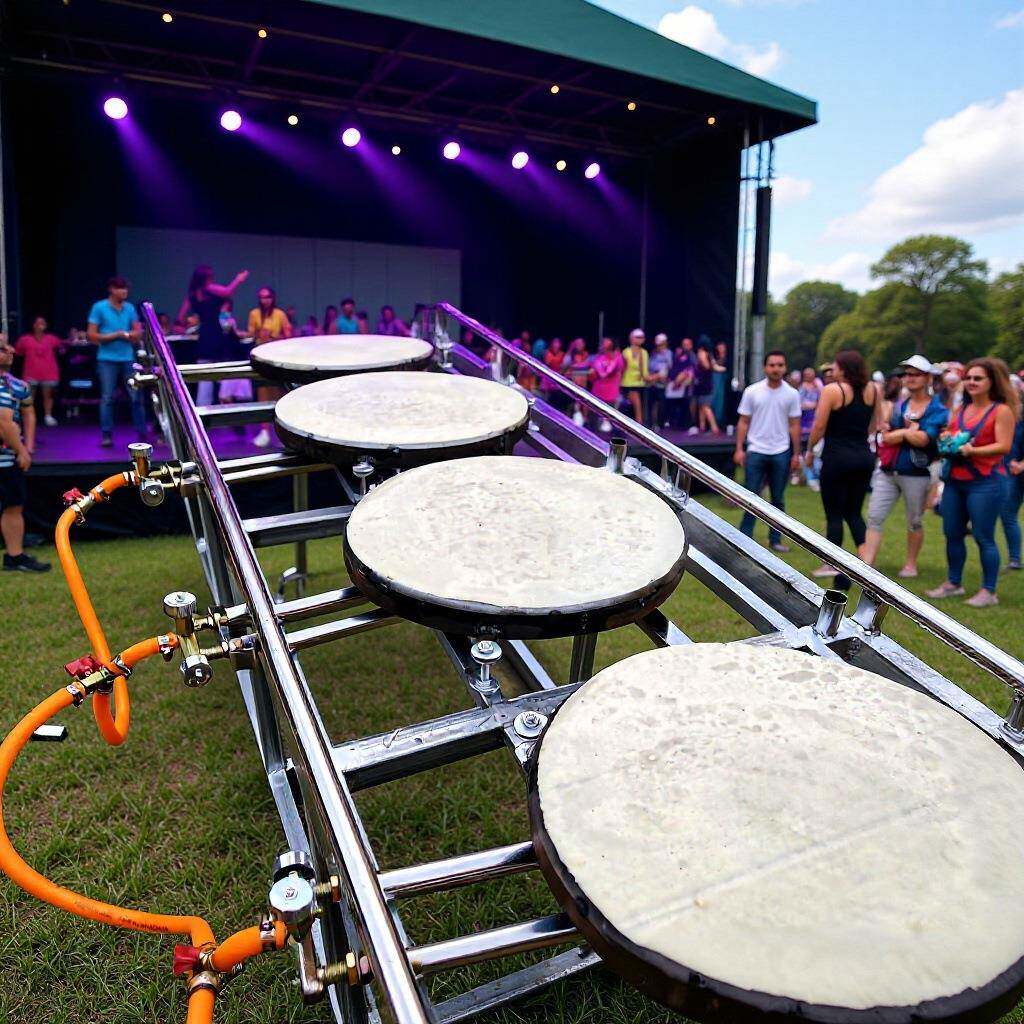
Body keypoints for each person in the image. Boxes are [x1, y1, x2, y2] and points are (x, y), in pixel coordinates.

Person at [927, 358, 1018, 607]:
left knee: (983, 536)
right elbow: (954, 432)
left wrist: (971, 451)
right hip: (956, 480)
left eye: (978, 378)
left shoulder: (1002, 410)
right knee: (952, 533)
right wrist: (948, 437)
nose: (971, 382)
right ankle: (953, 583)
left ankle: (989, 591)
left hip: (986, 482)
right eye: (968, 378)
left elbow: (1004, 445)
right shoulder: (962, 409)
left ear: (992, 382)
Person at [861, 354, 946, 579]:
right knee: (874, 516)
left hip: (917, 473)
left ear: (927, 378)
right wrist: (908, 432)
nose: (910, 378)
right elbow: (886, 436)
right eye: (907, 374)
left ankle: (911, 564)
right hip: (889, 469)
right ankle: (866, 565)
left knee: (914, 520)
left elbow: (925, 439)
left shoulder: (937, 409)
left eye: (916, 374)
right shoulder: (901, 404)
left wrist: (900, 434)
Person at [805, 349, 880, 589]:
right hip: (863, 457)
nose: (832, 371)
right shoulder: (873, 390)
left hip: (837, 458)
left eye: (835, 367)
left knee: (834, 513)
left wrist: (809, 450)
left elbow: (819, 426)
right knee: (854, 512)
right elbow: (874, 424)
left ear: (844, 369)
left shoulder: (832, 391)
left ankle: (832, 563)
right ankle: (865, 562)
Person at [735, 350, 801, 552]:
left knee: (778, 499)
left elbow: (794, 425)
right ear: (765, 367)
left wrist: (796, 453)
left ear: (785, 367)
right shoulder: (752, 391)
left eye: (780, 365)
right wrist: (739, 448)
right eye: (772, 365)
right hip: (756, 450)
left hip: (781, 451)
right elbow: (743, 421)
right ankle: (744, 539)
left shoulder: (792, 394)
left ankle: (775, 540)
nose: (776, 368)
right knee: (751, 497)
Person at [0, 341, 48, 572]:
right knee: (12, 507)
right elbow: (4, 423)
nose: (10, 351)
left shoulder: (18, 385)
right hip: (6, 459)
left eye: (8, 347)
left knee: (14, 506)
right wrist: (21, 450)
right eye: (2, 348)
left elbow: (29, 414)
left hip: (10, 457)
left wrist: (27, 446)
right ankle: (15, 556)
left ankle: (14, 556)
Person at [177, 265, 250, 409]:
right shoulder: (210, 289)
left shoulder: (192, 295)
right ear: (206, 278)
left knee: (204, 379)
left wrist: (191, 323)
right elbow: (228, 291)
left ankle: (203, 413)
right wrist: (238, 279)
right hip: (216, 336)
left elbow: (180, 318)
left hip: (204, 337)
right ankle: (227, 409)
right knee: (226, 373)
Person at [87, 276, 145, 447]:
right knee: (107, 398)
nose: (124, 292)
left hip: (127, 358)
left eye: (125, 288)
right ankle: (106, 435)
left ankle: (142, 432)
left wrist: (131, 335)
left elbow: (137, 332)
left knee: (136, 397)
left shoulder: (129, 308)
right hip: (107, 360)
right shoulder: (99, 307)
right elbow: (91, 335)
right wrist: (116, 335)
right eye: (121, 288)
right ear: (112, 289)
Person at [246, 285, 292, 448]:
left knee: (279, 393)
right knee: (262, 392)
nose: (264, 300)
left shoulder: (280, 314)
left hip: (276, 356)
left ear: (273, 298)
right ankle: (264, 431)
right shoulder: (254, 314)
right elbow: (250, 334)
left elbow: (288, 334)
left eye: (267, 297)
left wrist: (272, 336)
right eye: (262, 297)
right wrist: (258, 333)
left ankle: (281, 433)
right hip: (260, 355)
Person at [15, 316, 62, 427]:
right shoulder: (25, 339)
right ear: (34, 325)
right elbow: (18, 352)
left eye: (43, 323)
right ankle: (28, 417)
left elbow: (61, 347)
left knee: (48, 395)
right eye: (39, 322)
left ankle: (48, 416)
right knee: (29, 397)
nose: (41, 325)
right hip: (31, 372)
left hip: (48, 372)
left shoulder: (52, 339)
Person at [1000, 397, 1024, 572]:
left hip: (1018, 470)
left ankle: (1015, 558)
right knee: (1008, 513)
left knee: (1008, 514)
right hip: (1010, 471)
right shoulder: (1006, 412)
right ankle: (1015, 558)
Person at [591, 337, 625, 433]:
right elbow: (599, 372)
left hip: (611, 391)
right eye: (603, 343)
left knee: (611, 416)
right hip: (598, 390)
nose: (604, 344)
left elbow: (612, 370)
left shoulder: (618, 357)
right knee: (598, 418)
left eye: (606, 342)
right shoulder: (599, 358)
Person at [798, 367, 822, 490]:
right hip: (804, 423)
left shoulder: (817, 387)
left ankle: (815, 476)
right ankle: (809, 477)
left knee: (816, 450)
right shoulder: (802, 388)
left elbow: (822, 400)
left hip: (814, 421)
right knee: (805, 451)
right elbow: (799, 403)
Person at [621, 329, 648, 423]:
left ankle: (639, 424)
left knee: (638, 405)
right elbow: (622, 369)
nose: (641, 339)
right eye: (638, 337)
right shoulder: (625, 352)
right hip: (626, 383)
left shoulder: (644, 353)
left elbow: (644, 372)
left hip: (640, 384)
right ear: (631, 338)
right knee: (632, 406)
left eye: (642, 337)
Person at [563, 338, 592, 427]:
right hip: (572, 385)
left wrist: (576, 368)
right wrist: (570, 350)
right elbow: (565, 367)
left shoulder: (586, 355)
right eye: (577, 343)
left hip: (583, 384)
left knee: (585, 401)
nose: (579, 345)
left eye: (581, 343)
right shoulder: (570, 355)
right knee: (573, 402)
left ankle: (584, 419)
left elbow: (586, 366)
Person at [665, 342, 694, 430]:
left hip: (683, 386)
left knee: (684, 406)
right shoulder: (675, 359)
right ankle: (674, 424)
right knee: (673, 406)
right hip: (674, 386)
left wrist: (677, 382)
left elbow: (686, 372)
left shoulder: (686, 358)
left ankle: (685, 425)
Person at [647, 334, 673, 429]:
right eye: (658, 345)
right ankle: (654, 424)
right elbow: (650, 366)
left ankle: (663, 422)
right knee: (653, 404)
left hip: (663, 383)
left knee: (662, 404)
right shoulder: (653, 354)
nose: (659, 346)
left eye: (661, 344)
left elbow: (668, 368)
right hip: (652, 383)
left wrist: (657, 376)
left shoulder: (668, 353)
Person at [692, 345, 720, 433]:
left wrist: (702, 358)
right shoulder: (699, 361)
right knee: (701, 407)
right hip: (700, 387)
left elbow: (708, 367)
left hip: (706, 386)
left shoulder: (708, 360)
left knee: (705, 407)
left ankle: (714, 428)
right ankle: (702, 427)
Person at [540, 337, 567, 411]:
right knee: (546, 400)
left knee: (557, 399)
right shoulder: (547, 353)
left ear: (560, 345)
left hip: (557, 378)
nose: (555, 345)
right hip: (548, 378)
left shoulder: (562, 354)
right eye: (554, 343)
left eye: (557, 343)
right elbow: (550, 363)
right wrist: (558, 363)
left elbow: (563, 366)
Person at [711, 341, 729, 427]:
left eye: (722, 347)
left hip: (724, 382)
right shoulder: (714, 357)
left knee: (721, 402)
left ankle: (720, 422)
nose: (721, 348)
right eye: (719, 347)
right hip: (715, 382)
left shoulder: (729, 357)